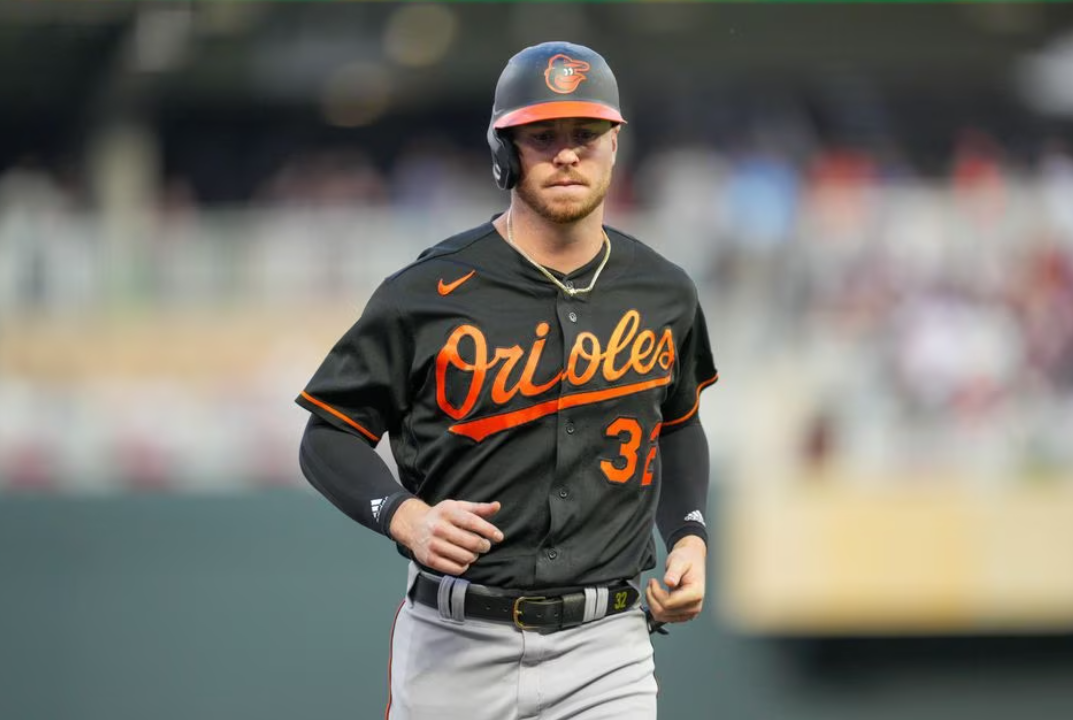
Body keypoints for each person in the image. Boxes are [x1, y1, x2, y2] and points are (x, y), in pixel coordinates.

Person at [296, 40, 719, 720]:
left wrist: (691, 533)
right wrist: (405, 516)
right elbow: (328, 437)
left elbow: (676, 423)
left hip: (604, 646)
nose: (566, 154)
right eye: (541, 136)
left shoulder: (662, 291)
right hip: (455, 643)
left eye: (584, 134)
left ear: (614, 144)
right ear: (504, 152)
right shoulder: (427, 290)